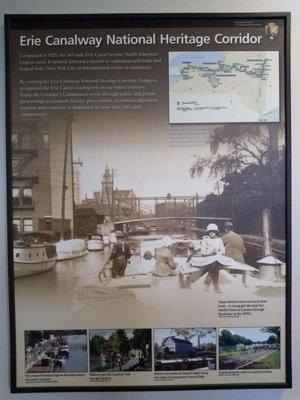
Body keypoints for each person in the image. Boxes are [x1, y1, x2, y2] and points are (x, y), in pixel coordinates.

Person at [186, 223, 225, 293]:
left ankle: (206, 283)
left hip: (217, 259)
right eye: (210, 231)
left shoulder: (219, 240)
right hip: (207, 258)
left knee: (215, 264)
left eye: (214, 231)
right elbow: (203, 253)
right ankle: (216, 287)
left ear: (216, 232)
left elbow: (223, 251)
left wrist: (217, 252)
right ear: (208, 232)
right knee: (215, 267)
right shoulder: (205, 240)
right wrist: (210, 253)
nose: (212, 233)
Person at [222, 221, 247, 285]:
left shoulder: (224, 237)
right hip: (241, 262)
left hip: (228, 263)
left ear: (226, 229)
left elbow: (219, 249)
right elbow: (244, 251)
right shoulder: (239, 237)